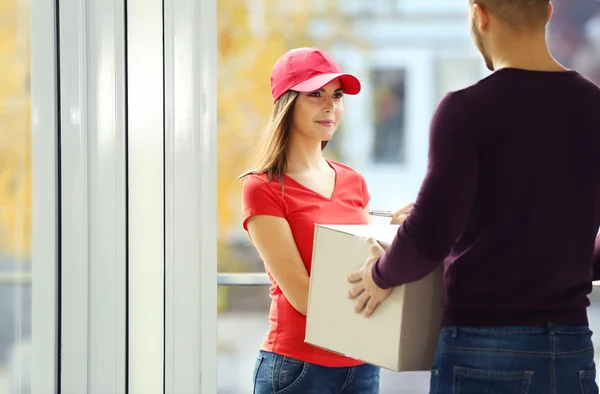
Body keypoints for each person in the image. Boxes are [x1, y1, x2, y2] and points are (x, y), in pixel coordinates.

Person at [348, 1, 600, 393]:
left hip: (484, 350)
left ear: (479, 14)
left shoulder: (466, 109)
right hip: (571, 350)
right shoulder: (593, 106)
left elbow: (429, 235)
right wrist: (570, 262)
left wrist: (379, 276)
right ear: (548, 12)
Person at [238, 47, 410, 394]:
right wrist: (374, 270)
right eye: (315, 94)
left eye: (337, 95)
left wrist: (391, 234)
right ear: (287, 103)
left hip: (361, 363)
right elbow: (302, 296)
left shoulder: (353, 181)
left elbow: (361, 264)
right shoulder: (263, 187)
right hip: (297, 370)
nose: (330, 105)